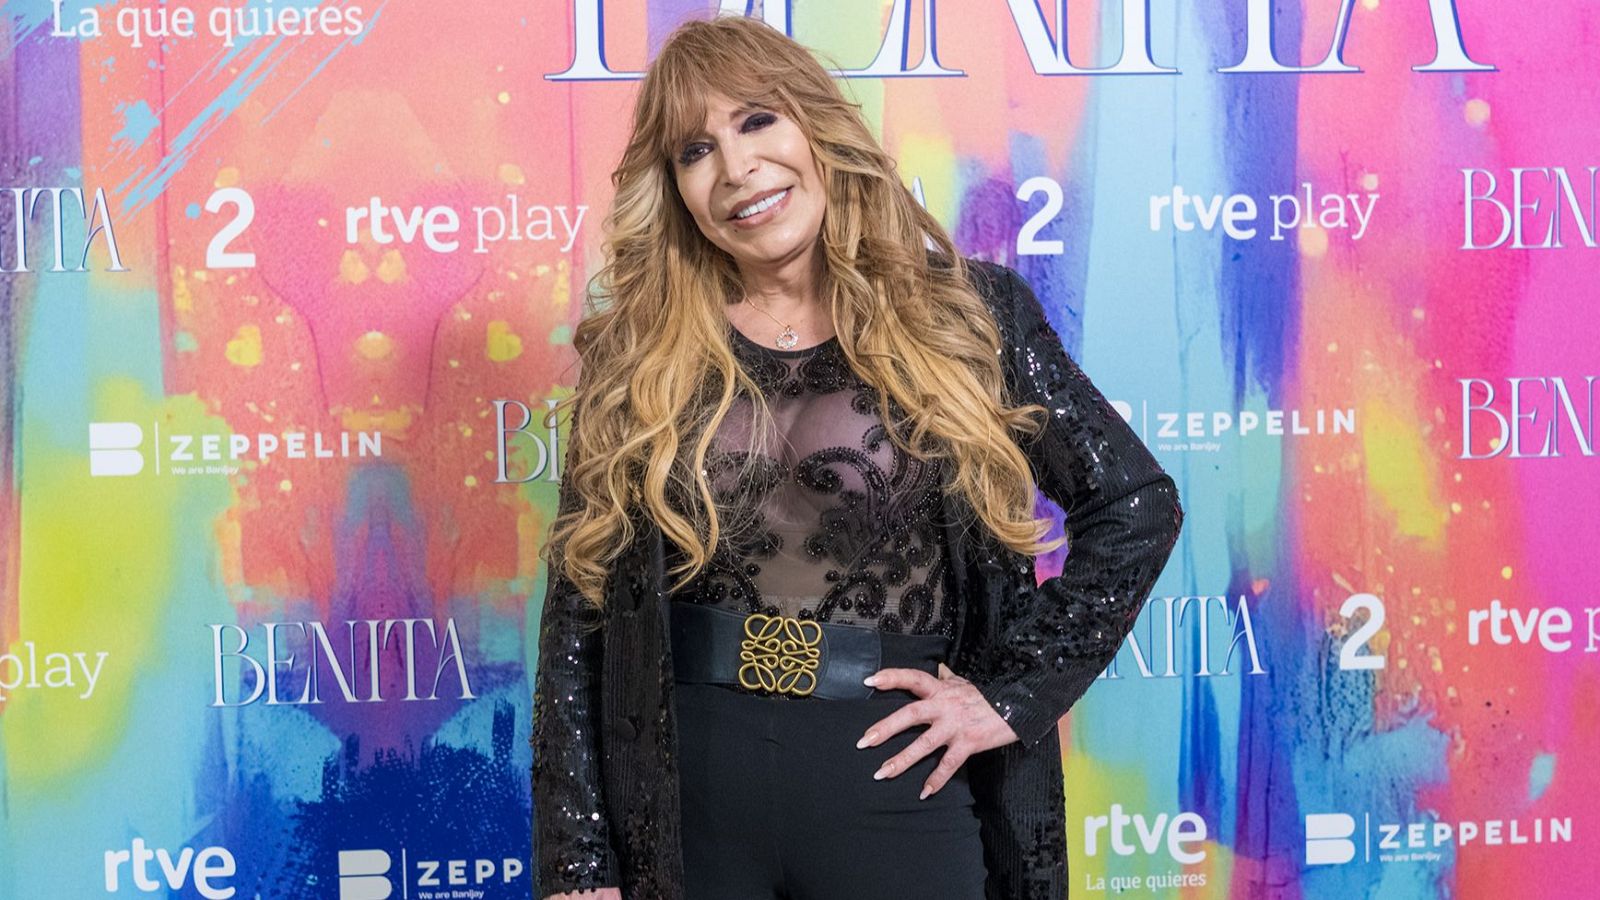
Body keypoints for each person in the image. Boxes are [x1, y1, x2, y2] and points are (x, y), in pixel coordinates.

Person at [531, 14, 1183, 900]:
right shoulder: (640, 355)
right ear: (675, 188)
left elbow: (1134, 505)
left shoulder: (966, 318)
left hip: (900, 787)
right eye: (695, 150)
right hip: (688, 800)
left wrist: (1009, 694)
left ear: (815, 124)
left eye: (757, 120)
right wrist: (577, 860)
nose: (736, 169)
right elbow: (583, 614)